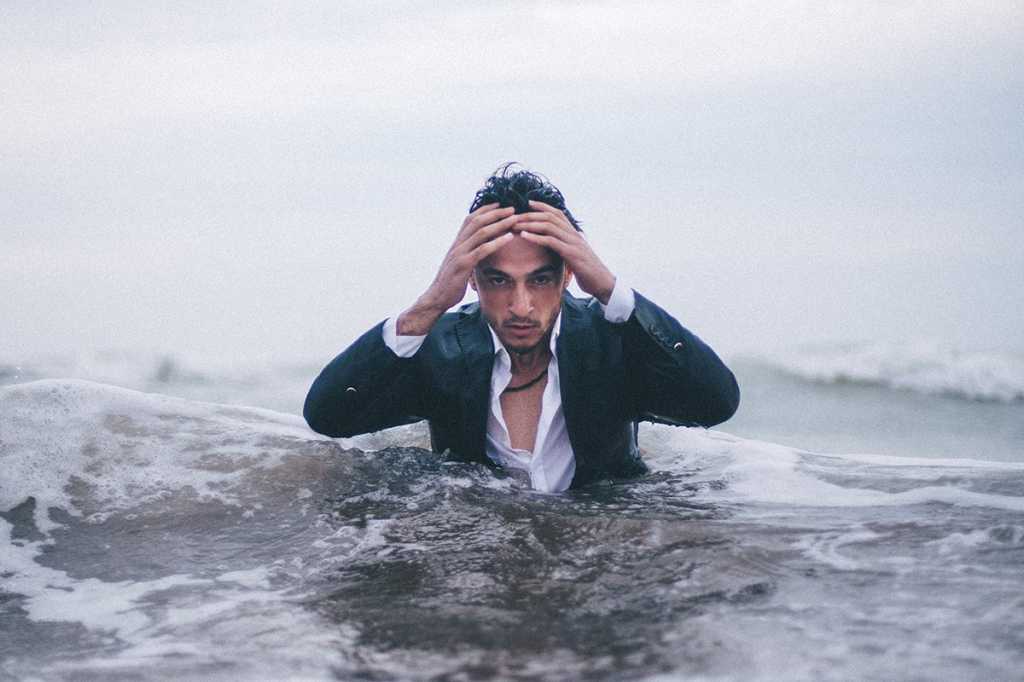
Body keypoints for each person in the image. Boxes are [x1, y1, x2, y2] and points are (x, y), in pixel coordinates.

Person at [304, 164, 739, 492]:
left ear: (568, 275)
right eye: (498, 281)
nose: (520, 306)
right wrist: (430, 303)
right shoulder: (440, 349)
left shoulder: (612, 341)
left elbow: (715, 402)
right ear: (471, 278)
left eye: (540, 279)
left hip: (602, 554)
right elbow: (329, 417)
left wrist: (610, 289)